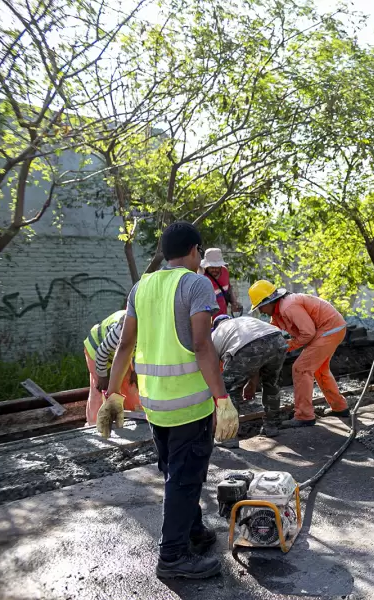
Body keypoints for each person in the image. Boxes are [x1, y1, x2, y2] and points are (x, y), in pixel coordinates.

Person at [103, 222, 239, 579]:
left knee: (177, 472)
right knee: (185, 477)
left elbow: (125, 345)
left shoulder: (141, 286)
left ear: (164, 252)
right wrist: (222, 398)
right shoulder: (196, 284)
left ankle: (192, 529)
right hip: (189, 405)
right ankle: (173, 557)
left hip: (155, 405)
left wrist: (113, 394)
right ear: (195, 250)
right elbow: (201, 344)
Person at [248, 281, 350, 428]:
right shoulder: (279, 310)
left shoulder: (288, 307)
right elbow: (272, 330)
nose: (261, 311)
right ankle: (339, 408)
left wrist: (287, 345)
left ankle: (304, 416)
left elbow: (308, 333)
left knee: (301, 368)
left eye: (260, 307)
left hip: (329, 330)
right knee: (320, 370)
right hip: (333, 328)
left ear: (268, 301)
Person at [211, 314, 287, 438]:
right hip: (277, 340)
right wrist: (251, 384)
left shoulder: (216, 334)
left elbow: (213, 371)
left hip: (249, 346)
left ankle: (228, 437)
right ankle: (271, 426)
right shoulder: (246, 320)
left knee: (228, 389)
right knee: (271, 384)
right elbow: (256, 359)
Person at [82, 308, 142, 425]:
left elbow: (138, 351)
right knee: (99, 390)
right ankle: (93, 424)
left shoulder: (148, 329)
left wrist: (134, 371)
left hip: (120, 353)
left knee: (130, 384)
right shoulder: (122, 328)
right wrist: (102, 376)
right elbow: (102, 352)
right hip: (97, 350)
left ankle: (133, 417)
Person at [199, 248, 242, 316]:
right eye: (212, 267)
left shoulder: (225, 271)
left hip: (223, 316)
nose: (215, 269)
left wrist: (234, 302)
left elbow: (228, 288)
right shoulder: (201, 277)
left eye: (217, 267)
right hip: (208, 319)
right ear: (206, 266)